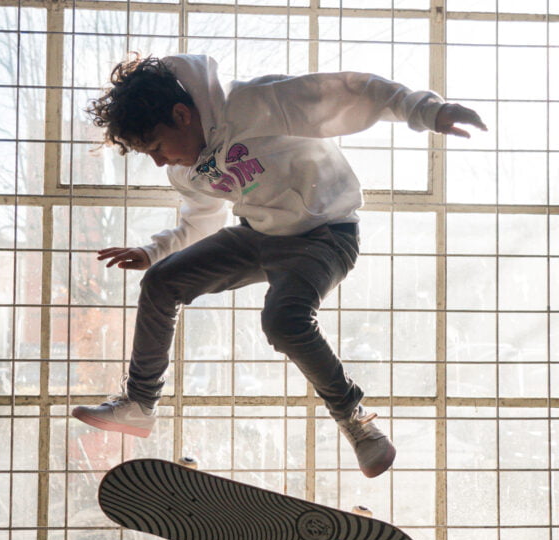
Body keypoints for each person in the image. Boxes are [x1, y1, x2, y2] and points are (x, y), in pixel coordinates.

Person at [73, 53, 486, 478]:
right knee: (161, 281)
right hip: (259, 237)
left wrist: (429, 110)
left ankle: (356, 421)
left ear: (181, 115)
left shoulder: (254, 103)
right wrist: (153, 252)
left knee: (284, 320)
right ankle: (140, 404)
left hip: (325, 234)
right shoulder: (186, 171)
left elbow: (355, 93)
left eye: (158, 148)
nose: (161, 163)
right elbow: (202, 219)